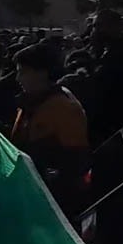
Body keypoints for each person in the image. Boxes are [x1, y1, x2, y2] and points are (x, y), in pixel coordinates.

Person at [10, 44, 90, 216]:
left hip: (50, 200)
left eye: (23, 72)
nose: (18, 78)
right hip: (28, 189)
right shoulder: (29, 103)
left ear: (42, 73)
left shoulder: (64, 107)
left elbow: (75, 162)